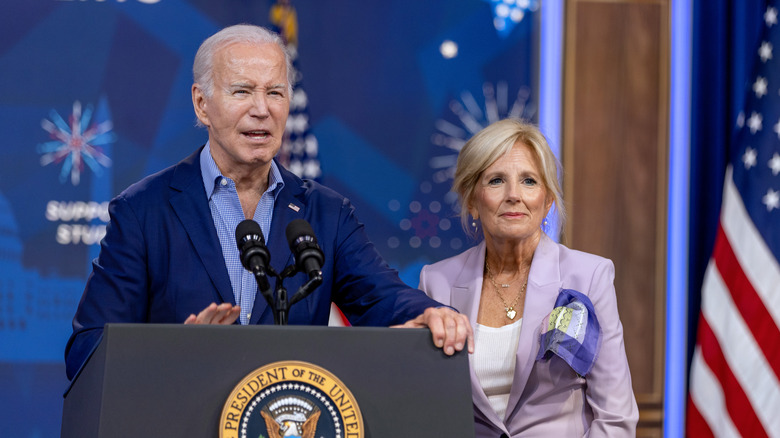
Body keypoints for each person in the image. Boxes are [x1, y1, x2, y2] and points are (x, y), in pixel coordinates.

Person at [64, 24, 472, 380]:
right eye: (242, 91)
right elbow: (88, 349)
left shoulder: (325, 214)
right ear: (201, 103)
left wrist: (430, 313)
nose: (261, 110)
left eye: (275, 93)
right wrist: (178, 351)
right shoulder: (143, 211)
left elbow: (382, 295)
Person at [419, 119, 638, 437]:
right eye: (496, 181)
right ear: (472, 201)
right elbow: (424, 406)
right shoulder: (435, 282)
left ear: (547, 201)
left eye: (529, 181)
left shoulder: (589, 277)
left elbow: (615, 417)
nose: (513, 195)